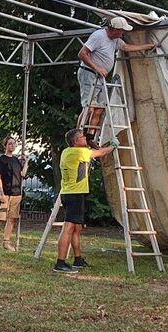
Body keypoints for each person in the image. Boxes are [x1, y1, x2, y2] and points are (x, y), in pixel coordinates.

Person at [79, 16, 156, 140]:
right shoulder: (98, 36)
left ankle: (90, 137)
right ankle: (77, 136)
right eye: (122, 31)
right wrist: (97, 68)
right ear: (115, 29)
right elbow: (82, 54)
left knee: (100, 108)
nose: (123, 33)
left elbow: (126, 47)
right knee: (89, 107)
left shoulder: (115, 39)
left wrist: (147, 46)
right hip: (89, 73)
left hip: (100, 77)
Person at [53, 128, 113, 273]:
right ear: (76, 141)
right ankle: (60, 263)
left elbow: (92, 149)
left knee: (76, 228)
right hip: (74, 195)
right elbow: (101, 152)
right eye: (82, 137)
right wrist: (113, 145)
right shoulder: (79, 152)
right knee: (68, 228)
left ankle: (78, 260)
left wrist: (90, 142)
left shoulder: (67, 151)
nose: (85, 138)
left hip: (71, 193)